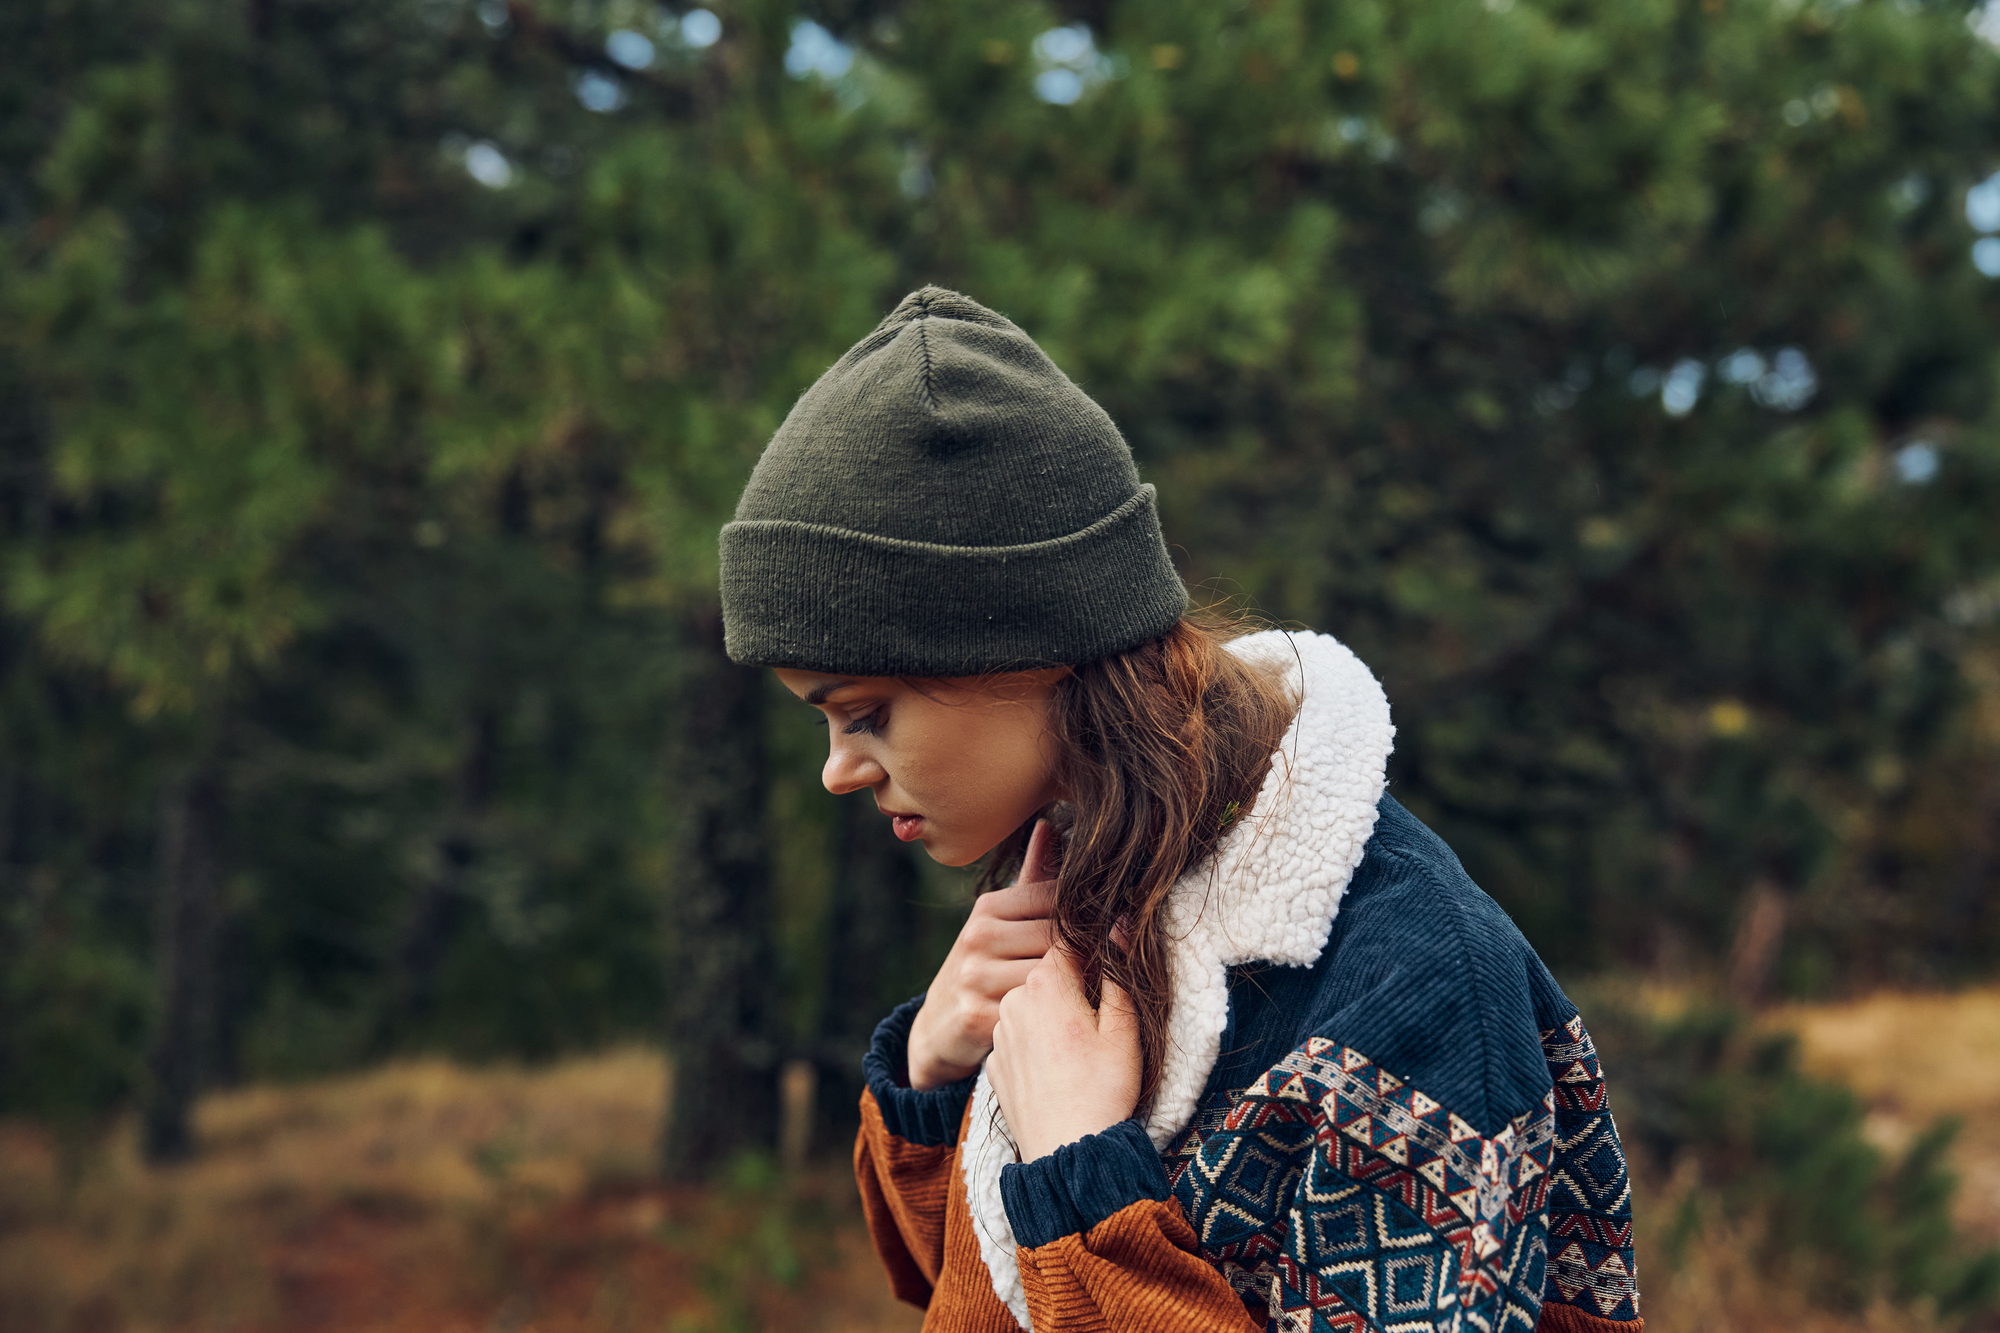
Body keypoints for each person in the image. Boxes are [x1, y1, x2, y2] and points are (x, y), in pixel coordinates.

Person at [717, 287, 1642, 1333]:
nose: (839, 769)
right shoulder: (1091, 876)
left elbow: (1065, 1263)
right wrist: (936, 1082)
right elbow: (976, 1291)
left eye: (866, 714)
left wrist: (1083, 1184)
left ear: (1024, 647)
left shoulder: (1418, 989)